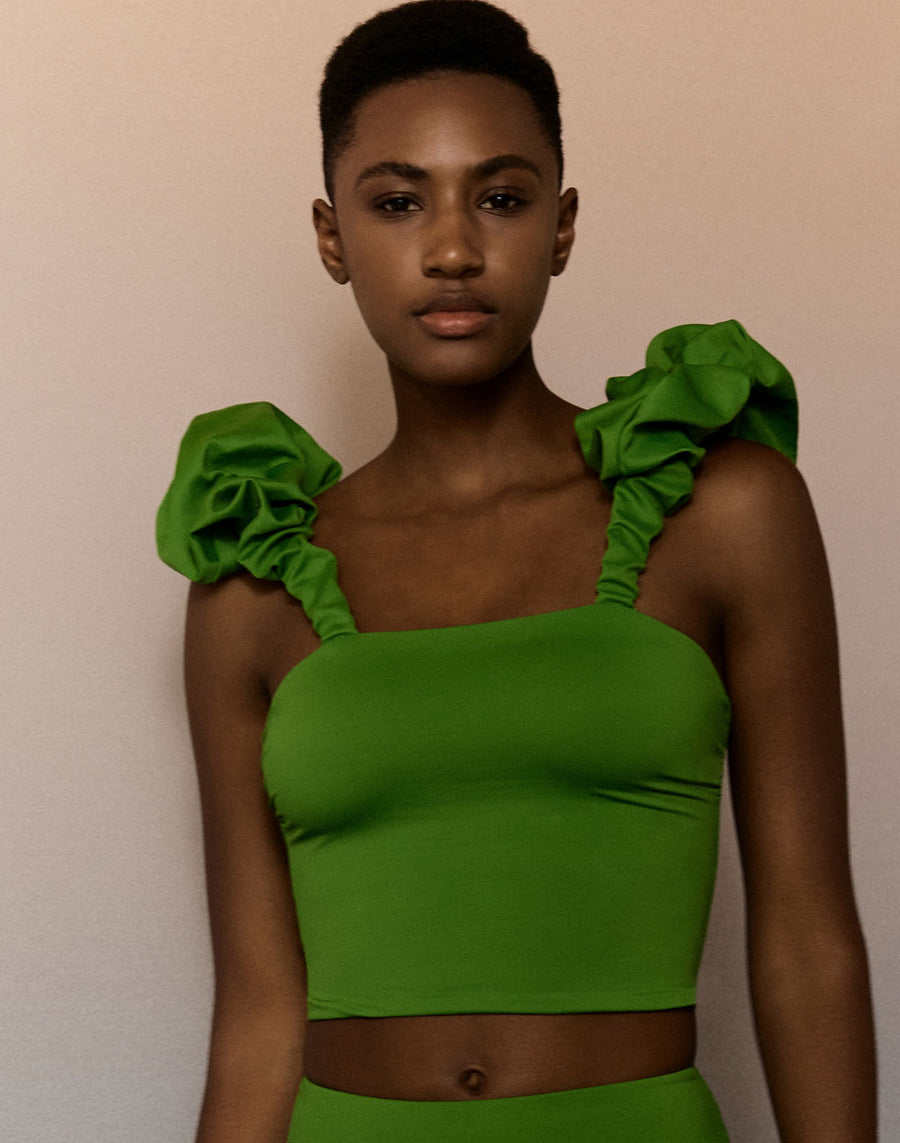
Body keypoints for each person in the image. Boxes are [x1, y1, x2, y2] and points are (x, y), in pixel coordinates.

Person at [156, 1, 877, 1139]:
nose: (452, 249)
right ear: (332, 237)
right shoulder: (255, 582)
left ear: (562, 225)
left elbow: (807, 940)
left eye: (499, 197)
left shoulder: (722, 511)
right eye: (398, 202)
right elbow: (257, 1013)